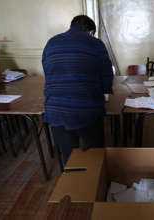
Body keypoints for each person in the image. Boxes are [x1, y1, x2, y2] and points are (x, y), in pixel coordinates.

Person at [42, 15, 113, 165]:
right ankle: (97, 180)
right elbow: (107, 76)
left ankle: (73, 185)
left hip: (55, 109)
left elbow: (48, 72)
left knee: (69, 154)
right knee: (96, 151)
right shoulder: (96, 43)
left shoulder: (51, 42)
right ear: (91, 31)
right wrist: (104, 91)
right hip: (86, 108)